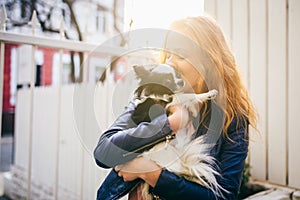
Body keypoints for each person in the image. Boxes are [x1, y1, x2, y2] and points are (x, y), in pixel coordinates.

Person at [94, 15, 257, 200]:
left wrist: (152, 174)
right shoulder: (149, 99)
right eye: (168, 54)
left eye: (180, 55)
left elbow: (224, 197)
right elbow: (103, 153)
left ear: (209, 61)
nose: (170, 62)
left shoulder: (233, 119)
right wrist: (168, 125)